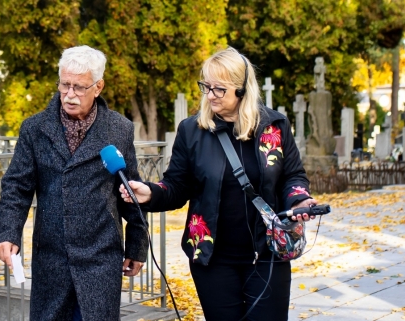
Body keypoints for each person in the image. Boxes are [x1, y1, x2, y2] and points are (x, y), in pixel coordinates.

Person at [120, 47, 317, 320]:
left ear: (242, 89)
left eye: (219, 89)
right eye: (206, 86)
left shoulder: (275, 126)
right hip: (212, 259)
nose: (210, 95)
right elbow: (177, 186)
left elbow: (293, 176)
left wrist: (300, 200)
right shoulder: (192, 131)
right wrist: (150, 193)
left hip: (268, 252)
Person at [0, 45, 149, 321]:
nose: (69, 94)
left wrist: (137, 245)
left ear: (98, 87)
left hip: (100, 258)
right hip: (52, 258)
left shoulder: (119, 129)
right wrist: (7, 233)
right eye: (64, 85)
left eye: (79, 87)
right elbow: (16, 187)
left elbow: (130, 188)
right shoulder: (35, 128)